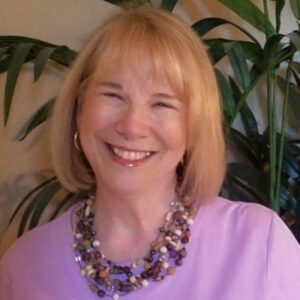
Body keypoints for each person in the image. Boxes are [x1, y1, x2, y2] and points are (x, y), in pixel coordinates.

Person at [1, 6, 300, 300]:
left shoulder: (260, 244)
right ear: (79, 109)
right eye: (113, 95)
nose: (132, 127)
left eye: (162, 103)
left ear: (193, 127)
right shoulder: (25, 265)